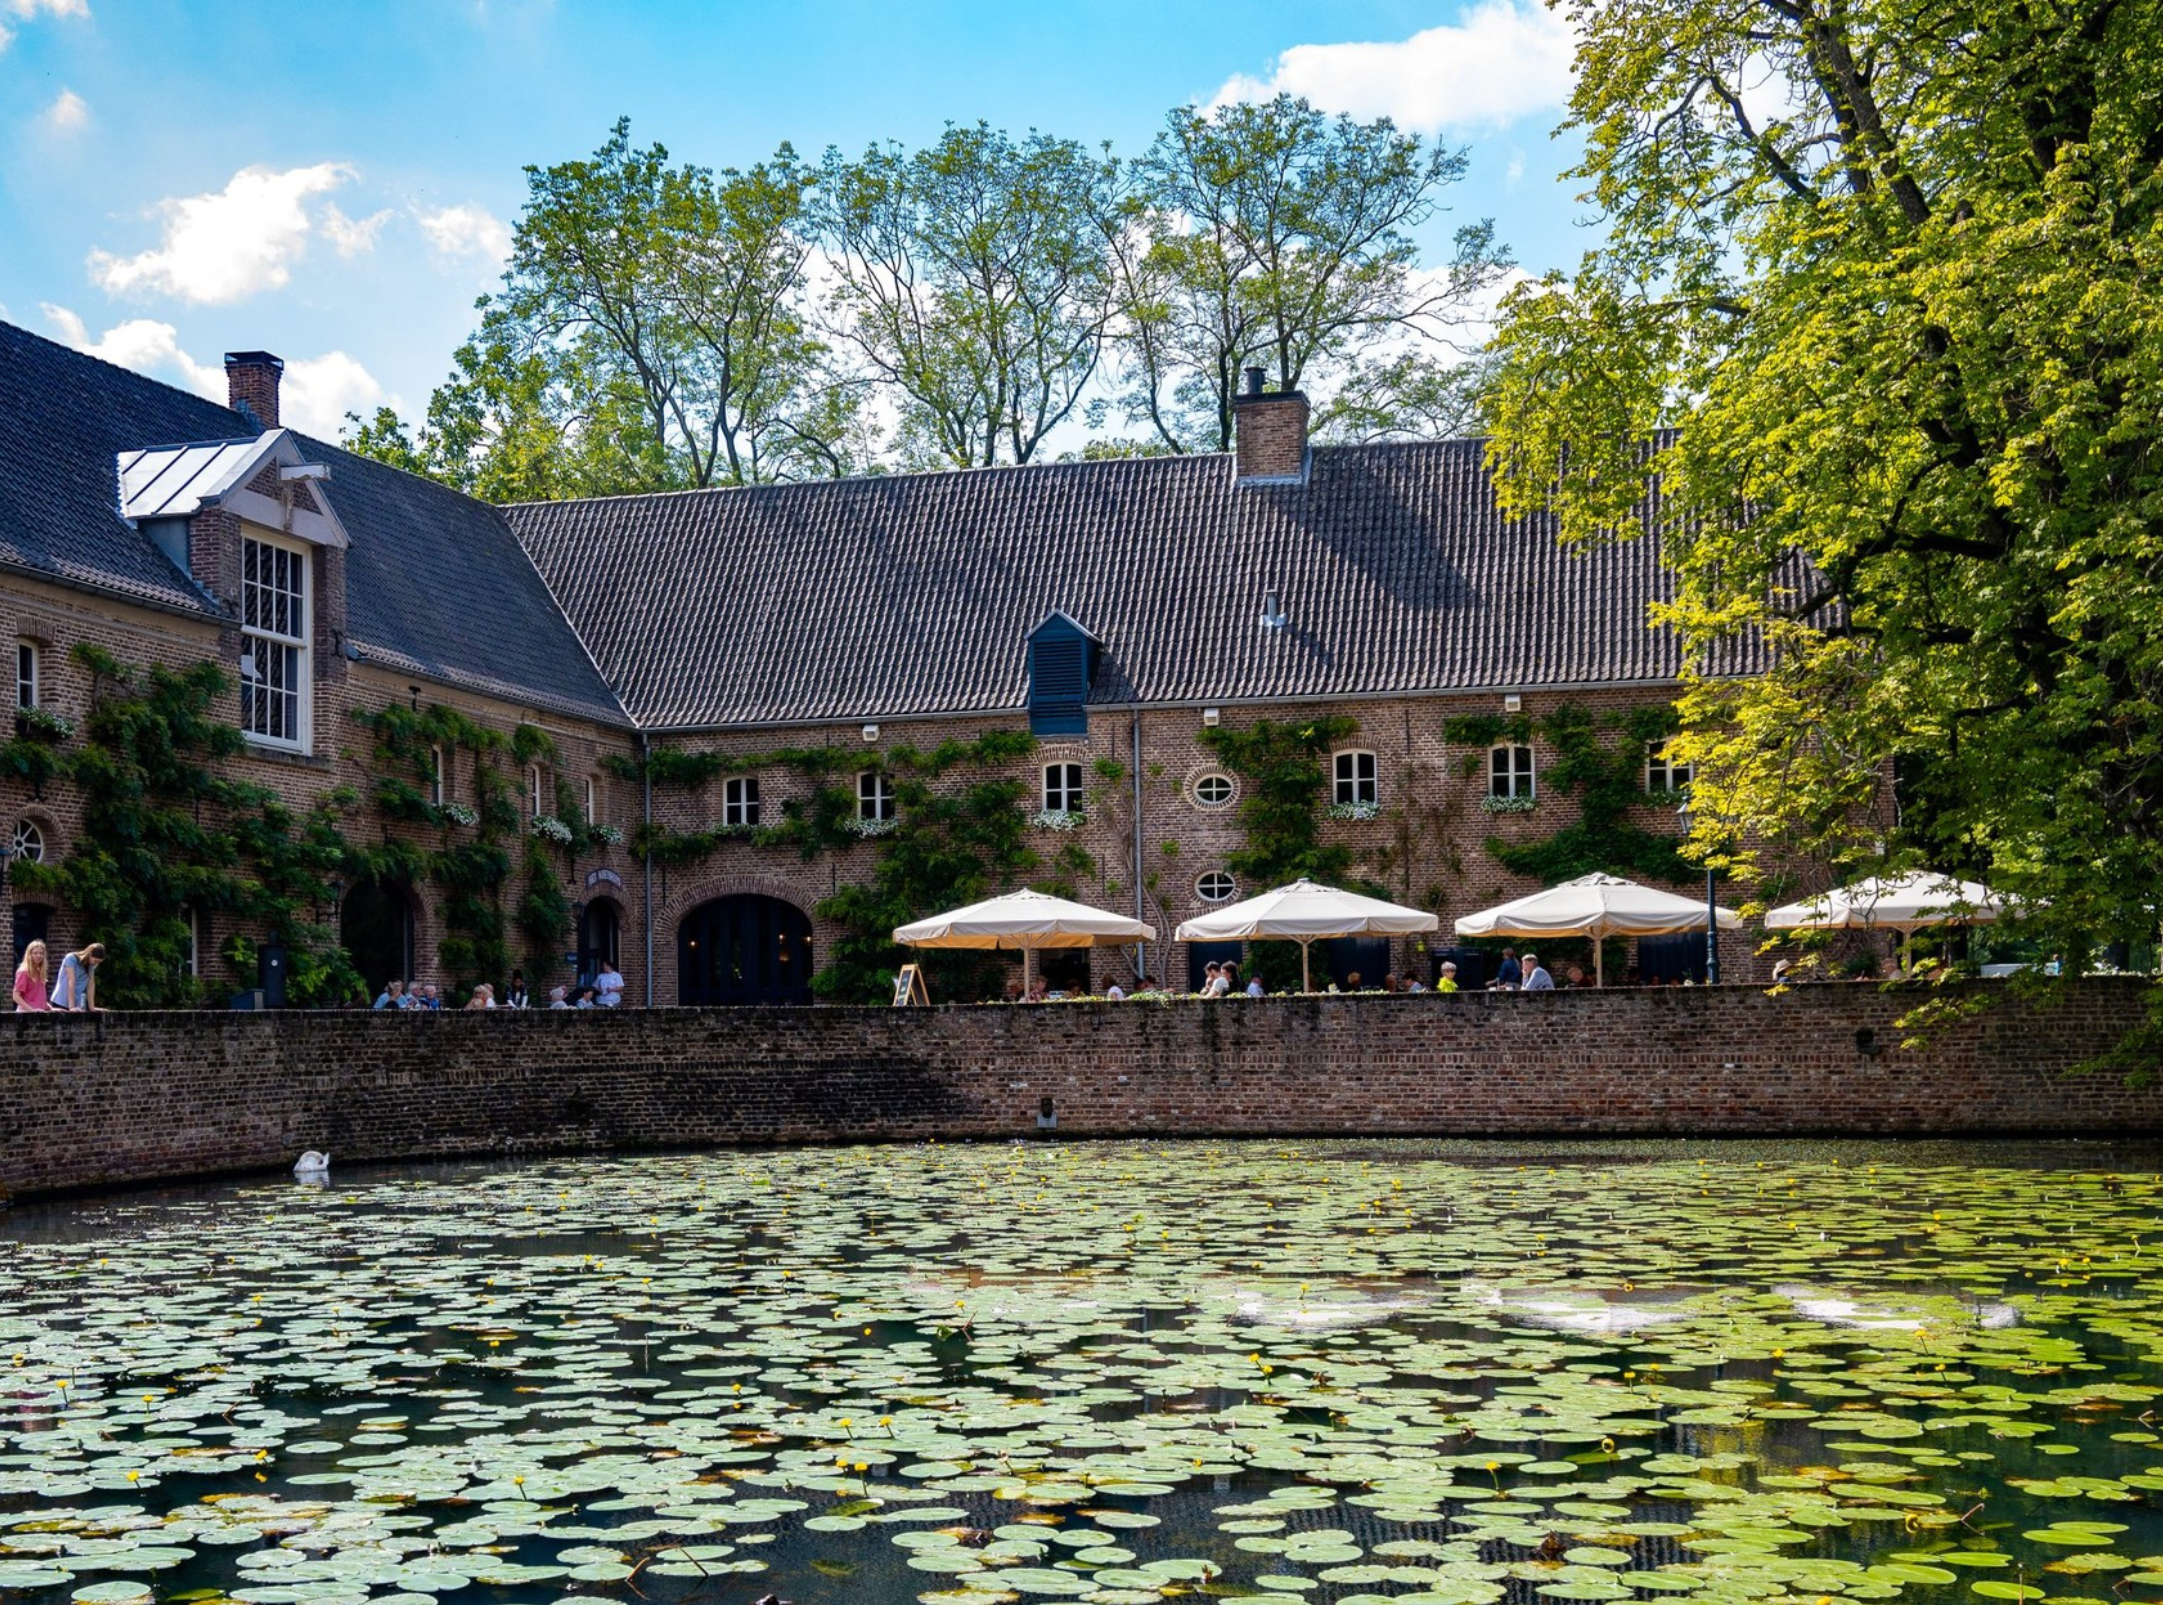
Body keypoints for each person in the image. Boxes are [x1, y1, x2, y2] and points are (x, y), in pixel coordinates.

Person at [52, 942, 103, 1011]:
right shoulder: (71, 959)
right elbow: (71, 982)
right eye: (95, 961)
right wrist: (71, 1007)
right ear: (90, 954)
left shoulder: (91, 965)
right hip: (61, 1001)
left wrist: (92, 1007)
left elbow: (90, 985)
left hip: (77, 1004)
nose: (96, 964)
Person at [13, 939, 49, 1012]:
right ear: (29, 955)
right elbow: (16, 996)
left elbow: (38, 998)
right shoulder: (23, 972)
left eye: (41, 953)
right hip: (26, 1014)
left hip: (40, 1013)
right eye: (35, 953)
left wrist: (51, 1008)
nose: (38, 955)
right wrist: (32, 1010)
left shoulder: (40, 972)